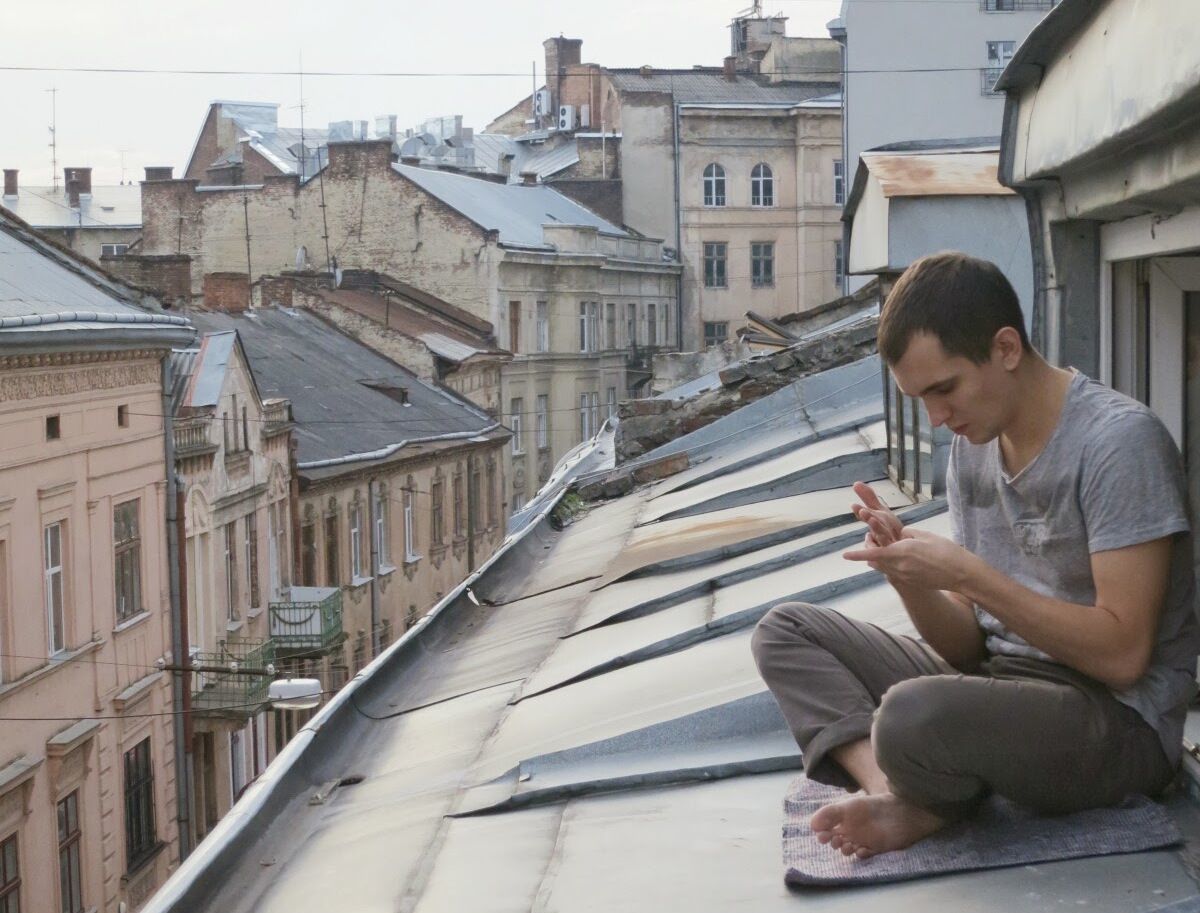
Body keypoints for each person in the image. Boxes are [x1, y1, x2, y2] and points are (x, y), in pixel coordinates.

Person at [751, 251, 1200, 859]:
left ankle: (922, 791)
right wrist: (908, 574)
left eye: (945, 389)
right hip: (1002, 691)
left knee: (911, 716)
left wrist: (970, 575)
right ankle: (897, 791)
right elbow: (968, 648)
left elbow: (1123, 657)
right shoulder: (974, 446)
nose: (937, 419)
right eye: (920, 400)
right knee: (786, 630)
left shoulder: (1118, 443)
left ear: (1007, 348)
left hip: (1117, 723)